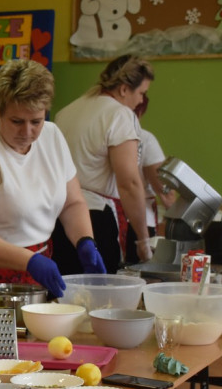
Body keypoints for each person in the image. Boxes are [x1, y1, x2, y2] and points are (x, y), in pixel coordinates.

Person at [0, 58, 104, 336]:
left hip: (34, 266)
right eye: (16, 121)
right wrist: (30, 261)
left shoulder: (52, 137)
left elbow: (72, 202)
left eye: (36, 121)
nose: (27, 132)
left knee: (30, 352)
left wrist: (85, 241)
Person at [51, 54, 155, 275]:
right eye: (141, 93)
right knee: (99, 301)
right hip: (95, 221)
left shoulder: (66, 112)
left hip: (59, 218)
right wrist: (143, 240)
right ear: (124, 89)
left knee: (66, 298)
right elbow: (129, 183)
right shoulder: (119, 115)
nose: (140, 101)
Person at [125, 93, 175, 263]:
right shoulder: (145, 139)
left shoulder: (105, 135)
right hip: (139, 219)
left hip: (110, 215)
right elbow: (164, 189)